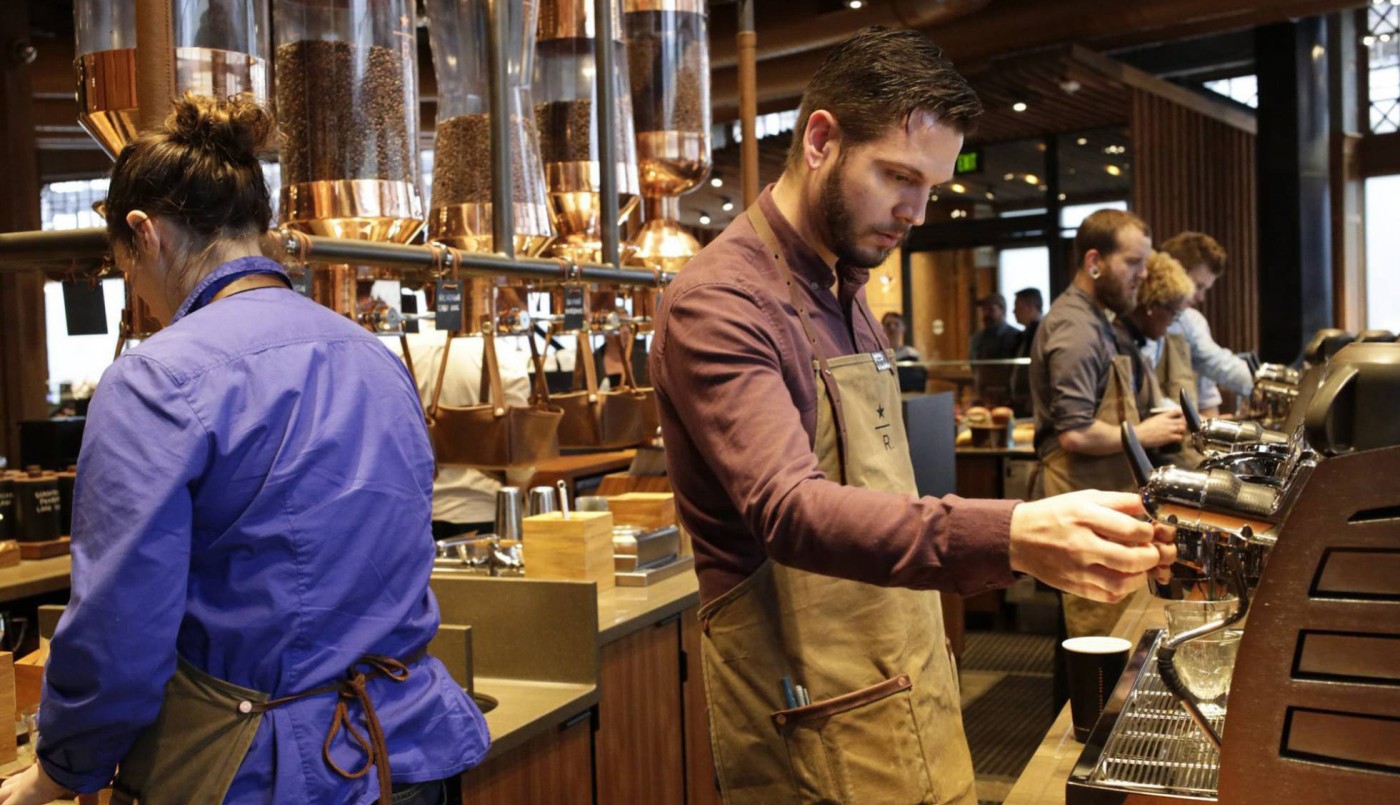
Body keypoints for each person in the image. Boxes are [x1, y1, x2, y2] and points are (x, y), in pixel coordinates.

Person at [649, 28, 1173, 805]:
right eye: (899, 176)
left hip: (909, 681)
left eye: (931, 185)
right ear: (821, 140)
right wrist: (1013, 533)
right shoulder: (721, 300)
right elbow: (789, 509)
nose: (918, 211)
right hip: (809, 710)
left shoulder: (846, 286)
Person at [0, 94, 487, 805]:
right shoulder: (376, 358)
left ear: (143, 233)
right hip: (409, 747)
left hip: (272, 773)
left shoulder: (154, 379)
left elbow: (119, 631)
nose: (139, 292)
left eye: (124, 268)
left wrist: (60, 768)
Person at [1028, 209, 1186, 638]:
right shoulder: (1075, 327)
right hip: (1080, 495)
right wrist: (1145, 433)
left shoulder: (1098, 320)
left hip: (1103, 498)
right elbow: (1075, 433)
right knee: (1094, 634)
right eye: (1133, 263)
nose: (1142, 275)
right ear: (1094, 261)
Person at [389, 326, 534, 539]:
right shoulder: (501, 354)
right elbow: (520, 454)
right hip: (486, 509)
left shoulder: (395, 351)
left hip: (415, 513)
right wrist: (515, 491)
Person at [1116, 251, 1201, 465]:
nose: (1172, 323)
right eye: (1174, 314)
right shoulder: (1120, 345)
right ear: (1152, 306)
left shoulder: (1136, 344)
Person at [1159, 232, 1254, 416]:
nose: (1201, 298)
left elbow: (1218, 367)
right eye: (1197, 286)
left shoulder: (1191, 321)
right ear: (1173, 272)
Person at [1008, 288, 1044, 415]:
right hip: (1021, 401)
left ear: (1030, 307)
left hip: (1033, 402)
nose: (1014, 311)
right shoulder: (1023, 335)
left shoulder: (1042, 333)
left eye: (1017, 306)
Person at [970, 292, 1022, 360]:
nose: (986, 314)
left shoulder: (1016, 336)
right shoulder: (977, 337)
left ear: (1003, 311)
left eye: (991, 310)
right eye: (984, 310)